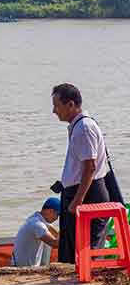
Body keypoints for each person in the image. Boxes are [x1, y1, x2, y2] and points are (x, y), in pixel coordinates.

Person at [51, 83, 110, 263]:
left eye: (57, 106)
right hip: (80, 191)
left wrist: (78, 199)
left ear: (70, 104)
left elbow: (90, 167)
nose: (54, 111)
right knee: (72, 244)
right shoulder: (78, 126)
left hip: (87, 193)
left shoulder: (84, 127)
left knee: (86, 246)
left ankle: (87, 276)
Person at [12, 197, 60, 267]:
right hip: (23, 268)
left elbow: (56, 235)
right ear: (50, 211)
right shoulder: (37, 224)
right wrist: (65, 224)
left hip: (21, 264)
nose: (57, 218)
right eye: (57, 215)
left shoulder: (36, 218)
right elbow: (55, 244)